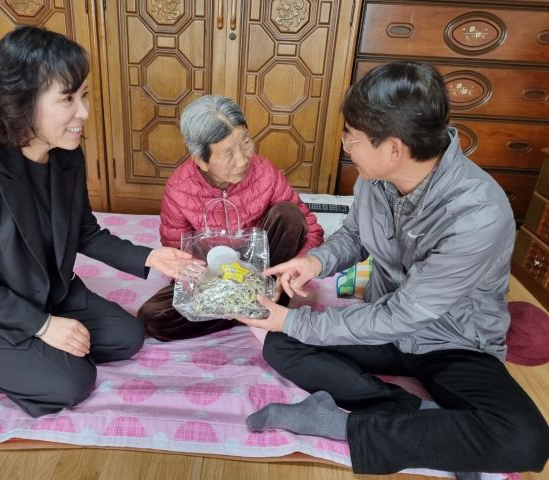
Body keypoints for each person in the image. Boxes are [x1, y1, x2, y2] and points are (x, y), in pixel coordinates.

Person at [234, 62, 549, 475]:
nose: (346, 146)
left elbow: (404, 315)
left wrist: (288, 321)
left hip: (452, 343)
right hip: (383, 328)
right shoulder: (375, 179)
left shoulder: (479, 215)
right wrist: (315, 261)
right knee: (282, 344)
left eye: (352, 138)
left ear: (394, 147)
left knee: (526, 441)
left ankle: (341, 423)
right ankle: (437, 432)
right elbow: (354, 235)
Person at [0, 26, 192, 418]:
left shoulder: (65, 153)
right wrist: (42, 327)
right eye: (68, 99)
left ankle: (23, 357)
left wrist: (150, 257)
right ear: (21, 102)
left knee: (127, 337)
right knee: (71, 381)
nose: (84, 113)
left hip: (36, 285)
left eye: (85, 96)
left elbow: (83, 232)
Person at [137, 95, 324, 341]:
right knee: (152, 318)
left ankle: (264, 301)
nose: (243, 159)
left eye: (246, 142)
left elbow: (312, 231)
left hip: (265, 275)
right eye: (228, 153)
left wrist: (284, 277)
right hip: (212, 280)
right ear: (201, 161)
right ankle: (251, 313)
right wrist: (217, 294)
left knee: (290, 213)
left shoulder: (265, 172)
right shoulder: (179, 189)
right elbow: (178, 257)